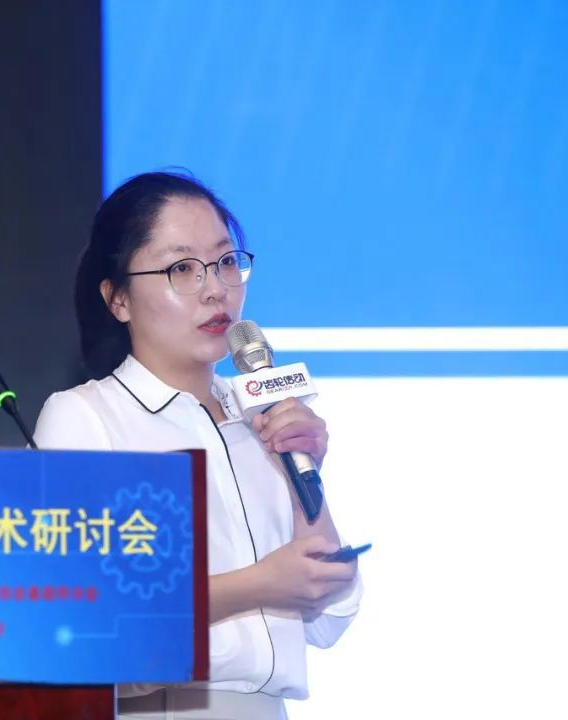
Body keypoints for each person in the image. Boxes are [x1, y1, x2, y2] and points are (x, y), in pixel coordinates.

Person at [33, 171, 362, 720]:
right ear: (118, 299)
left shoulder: (260, 413)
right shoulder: (85, 417)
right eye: (182, 268)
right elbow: (79, 616)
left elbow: (331, 615)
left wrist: (303, 471)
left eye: (226, 261)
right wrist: (259, 584)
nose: (216, 288)